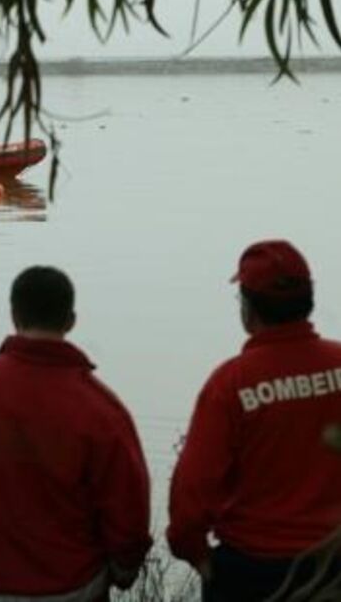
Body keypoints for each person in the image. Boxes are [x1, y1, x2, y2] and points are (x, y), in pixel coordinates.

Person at [0, 266, 152, 602]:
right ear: (70, 321)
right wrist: (124, 570)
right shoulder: (100, 409)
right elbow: (128, 507)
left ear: (14, 315)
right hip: (72, 586)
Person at [168, 240, 341, 601]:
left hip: (252, 573)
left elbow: (193, 490)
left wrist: (194, 552)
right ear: (308, 298)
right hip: (334, 563)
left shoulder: (230, 385)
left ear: (248, 308)